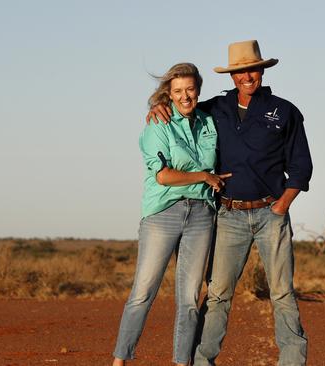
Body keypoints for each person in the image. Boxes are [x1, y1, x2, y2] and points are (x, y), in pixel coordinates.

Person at [148, 40, 312, 366]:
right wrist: (157, 105)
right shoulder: (217, 108)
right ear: (232, 76)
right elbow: (184, 103)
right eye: (239, 72)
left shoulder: (285, 111)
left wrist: (281, 207)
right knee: (218, 295)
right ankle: (201, 361)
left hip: (271, 214)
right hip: (229, 215)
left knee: (282, 294)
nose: (246, 76)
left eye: (251, 69)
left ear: (261, 70)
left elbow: (301, 167)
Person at [113, 63, 231, 366]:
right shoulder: (159, 124)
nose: (185, 96)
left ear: (198, 89)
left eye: (190, 89)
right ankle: (119, 361)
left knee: (189, 299)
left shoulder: (209, 121)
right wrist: (205, 176)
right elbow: (163, 176)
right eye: (177, 91)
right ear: (169, 93)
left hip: (202, 215)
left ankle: (182, 362)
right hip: (163, 212)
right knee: (143, 291)